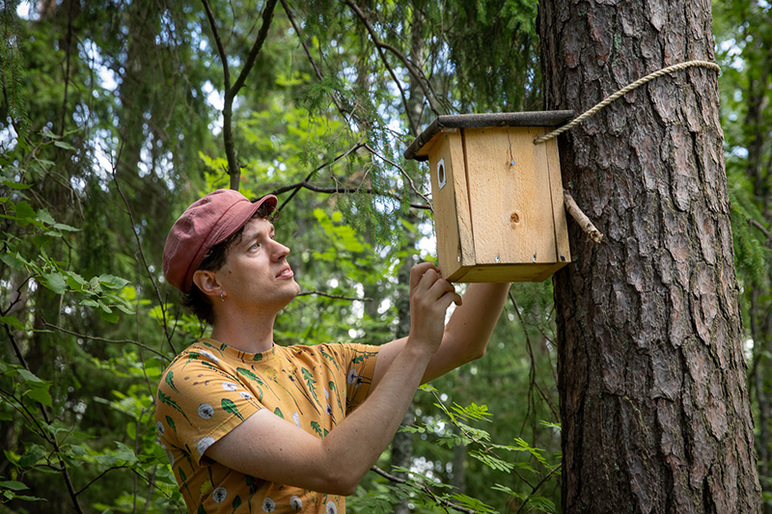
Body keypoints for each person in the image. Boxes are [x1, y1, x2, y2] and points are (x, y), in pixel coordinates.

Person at [155, 189, 509, 513]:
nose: (282, 250)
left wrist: (508, 240)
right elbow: (334, 469)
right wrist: (417, 346)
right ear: (211, 282)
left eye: (272, 237)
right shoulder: (192, 378)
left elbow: (461, 342)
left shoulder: (324, 364)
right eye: (254, 246)